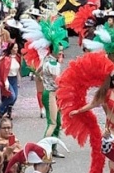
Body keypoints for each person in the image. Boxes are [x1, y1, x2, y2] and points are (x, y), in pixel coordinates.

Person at [20, 16, 70, 158]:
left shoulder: (47, 59)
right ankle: (42, 149)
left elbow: (38, 71)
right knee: (53, 123)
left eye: (62, 51)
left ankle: (52, 148)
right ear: (53, 50)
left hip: (53, 93)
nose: (61, 54)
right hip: (52, 94)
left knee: (58, 122)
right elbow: (58, 82)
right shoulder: (53, 64)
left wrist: (44, 78)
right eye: (59, 51)